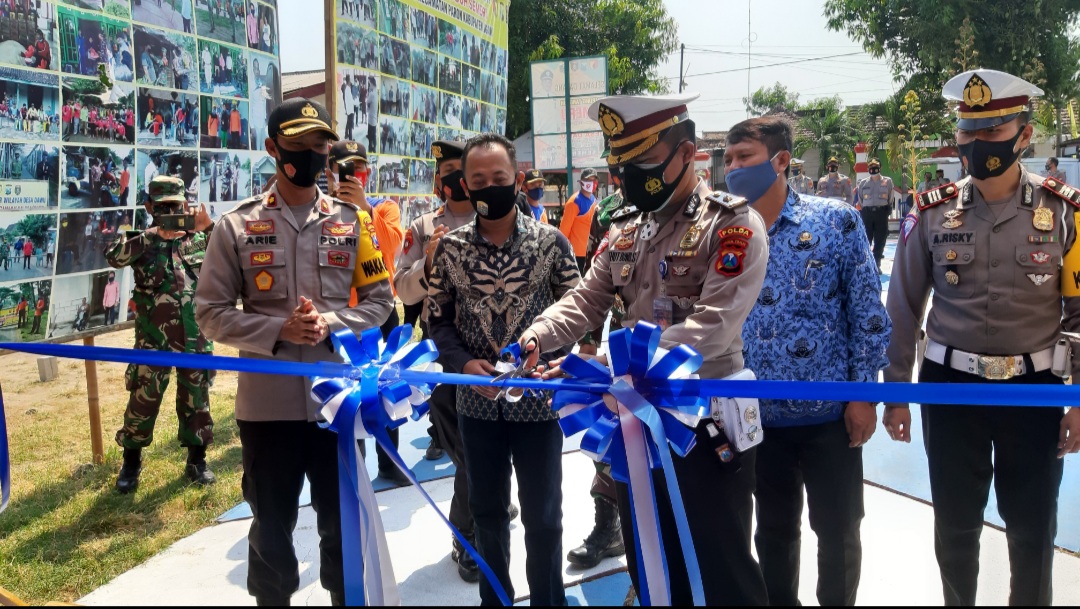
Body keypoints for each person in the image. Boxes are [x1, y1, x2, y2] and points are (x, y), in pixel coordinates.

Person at [519, 92, 770, 605]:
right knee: (648, 559)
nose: (632, 176)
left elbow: (711, 328)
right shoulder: (627, 231)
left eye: (644, 162)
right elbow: (586, 300)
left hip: (704, 425)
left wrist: (609, 365)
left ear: (687, 152)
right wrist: (535, 336)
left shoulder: (732, 225)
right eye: (624, 165)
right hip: (633, 428)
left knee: (721, 566)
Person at [883, 69, 1080, 606]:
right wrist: (896, 391)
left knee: (1034, 530)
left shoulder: (1065, 212)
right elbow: (902, 307)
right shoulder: (929, 212)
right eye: (968, 132)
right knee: (955, 526)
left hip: (1036, 387)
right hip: (950, 389)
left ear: (1023, 134)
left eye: (992, 132)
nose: (976, 145)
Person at [195, 98, 393, 607]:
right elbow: (209, 312)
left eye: (319, 145)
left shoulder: (355, 223)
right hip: (268, 410)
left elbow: (379, 301)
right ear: (271, 148)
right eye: (298, 145)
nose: (311, 154)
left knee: (343, 534)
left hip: (337, 406)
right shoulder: (235, 227)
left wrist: (330, 322)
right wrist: (277, 330)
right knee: (271, 541)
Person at [724, 116, 890, 606]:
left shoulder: (835, 220)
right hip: (757, 418)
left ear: (780, 162)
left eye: (744, 158)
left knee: (838, 532)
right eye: (728, 160)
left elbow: (866, 313)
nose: (732, 169)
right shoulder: (724, 228)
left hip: (830, 416)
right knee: (773, 532)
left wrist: (863, 395)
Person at [427, 133, 578, 606]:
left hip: (538, 404)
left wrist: (553, 359)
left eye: (499, 178)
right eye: (478, 180)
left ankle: (549, 600)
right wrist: (462, 363)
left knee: (544, 518)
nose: (489, 186)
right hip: (476, 402)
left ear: (517, 179)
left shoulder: (551, 244)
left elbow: (577, 311)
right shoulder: (449, 250)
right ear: (464, 186)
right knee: (488, 515)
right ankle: (495, 600)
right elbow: (436, 320)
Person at [394, 139, 483, 581]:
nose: (450, 178)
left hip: (495, 354)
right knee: (466, 452)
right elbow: (402, 290)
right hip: (445, 353)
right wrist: (427, 265)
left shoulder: (499, 216)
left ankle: (489, 506)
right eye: (444, 171)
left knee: (491, 450)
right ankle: (466, 537)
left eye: (457, 168)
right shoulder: (424, 225)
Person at [105, 177, 217, 492]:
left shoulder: (198, 239)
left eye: (176, 205)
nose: (170, 211)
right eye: (163, 206)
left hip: (195, 341)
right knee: (143, 403)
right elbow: (113, 256)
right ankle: (131, 462)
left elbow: (232, 250)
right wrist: (152, 235)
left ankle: (197, 460)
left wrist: (207, 226)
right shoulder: (142, 242)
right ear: (149, 207)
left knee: (197, 403)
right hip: (152, 344)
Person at [326, 140, 410, 487]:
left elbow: (391, 248)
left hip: (379, 312)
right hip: (341, 316)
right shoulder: (322, 213)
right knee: (346, 393)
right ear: (329, 172)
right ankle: (353, 467)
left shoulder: (384, 208)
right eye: (342, 169)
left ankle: (390, 463)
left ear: (368, 173)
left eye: (357, 170)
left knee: (385, 388)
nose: (351, 176)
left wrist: (362, 208)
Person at [566, 155, 627, 570]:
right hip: (622, 351)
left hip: (681, 359)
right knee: (606, 443)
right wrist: (587, 342)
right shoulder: (610, 213)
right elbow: (597, 286)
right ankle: (609, 530)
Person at [856, 158, 895, 272]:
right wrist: (864, 210)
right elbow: (860, 199)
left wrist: (887, 209)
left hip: (881, 213)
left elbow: (890, 197)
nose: (873, 169)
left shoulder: (887, 181)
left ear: (880, 168)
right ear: (868, 169)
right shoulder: (863, 183)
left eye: (875, 167)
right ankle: (868, 264)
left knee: (880, 239)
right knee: (867, 239)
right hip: (867, 213)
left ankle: (877, 263)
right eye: (871, 167)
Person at [559, 167, 599, 273]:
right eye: (588, 180)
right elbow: (563, 232)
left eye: (593, 180)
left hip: (591, 253)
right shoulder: (574, 202)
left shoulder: (593, 199)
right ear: (581, 182)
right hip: (576, 256)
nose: (591, 183)